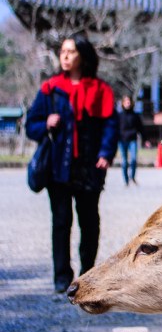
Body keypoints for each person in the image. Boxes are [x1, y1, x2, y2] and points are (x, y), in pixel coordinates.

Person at [26, 34, 118, 296]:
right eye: (62, 51)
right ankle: (61, 276)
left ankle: (88, 272)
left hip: (90, 166)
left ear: (83, 56)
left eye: (70, 51)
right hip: (58, 168)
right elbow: (31, 124)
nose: (64, 56)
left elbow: (110, 124)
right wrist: (45, 123)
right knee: (61, 221)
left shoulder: (100, 89)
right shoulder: (50, 90)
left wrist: (106, 153)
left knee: (89, 222)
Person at [117, 95, 145, 186]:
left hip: (132, 140)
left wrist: (145, 139)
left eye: (129, 101)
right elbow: (115, 128)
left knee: (133, 159)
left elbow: (141, 128)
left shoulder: (135, 115)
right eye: (126, 102)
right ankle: (126, 180)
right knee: (124, 161)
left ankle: (132, 176)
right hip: (122, 140)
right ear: (123, 103)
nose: (128, 103)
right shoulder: (119, 115)